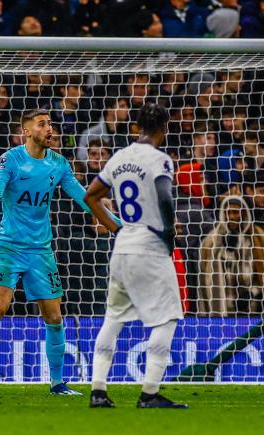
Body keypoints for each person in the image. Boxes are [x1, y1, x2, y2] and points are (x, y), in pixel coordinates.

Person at [0, 109, 121, 396]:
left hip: (40, 252)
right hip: (9, 247)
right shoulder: (10, 160)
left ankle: (58, 384)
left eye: (50, 124)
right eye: (42, 124)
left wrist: (120, 226)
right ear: (27, 131)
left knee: (54, 317)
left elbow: (86, 199)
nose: (50, 129)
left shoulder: (59, 164)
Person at [83, 102, 187, 409]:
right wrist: (168, 233)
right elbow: (165, 196)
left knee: (113, 318)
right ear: (164, 129)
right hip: (150, 246)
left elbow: (91, 196)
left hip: (123, 245)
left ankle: (98, 390)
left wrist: (116, 228)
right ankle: (149, 393)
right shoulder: (160, 159)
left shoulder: (119, 157)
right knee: (167, 319)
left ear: (136, 126)